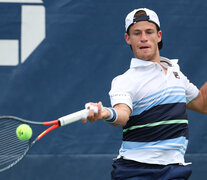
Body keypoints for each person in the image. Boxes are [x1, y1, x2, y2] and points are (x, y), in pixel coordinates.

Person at [82, 8, 207, 180]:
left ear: (159, 36)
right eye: (136, 33)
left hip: (174, 169)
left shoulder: (176, 73)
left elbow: (202, 104)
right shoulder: (125, 80)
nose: (143, 38)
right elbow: (122, 114)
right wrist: (105, 113)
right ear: (128, 39)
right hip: (135, 171)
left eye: (149, 32)